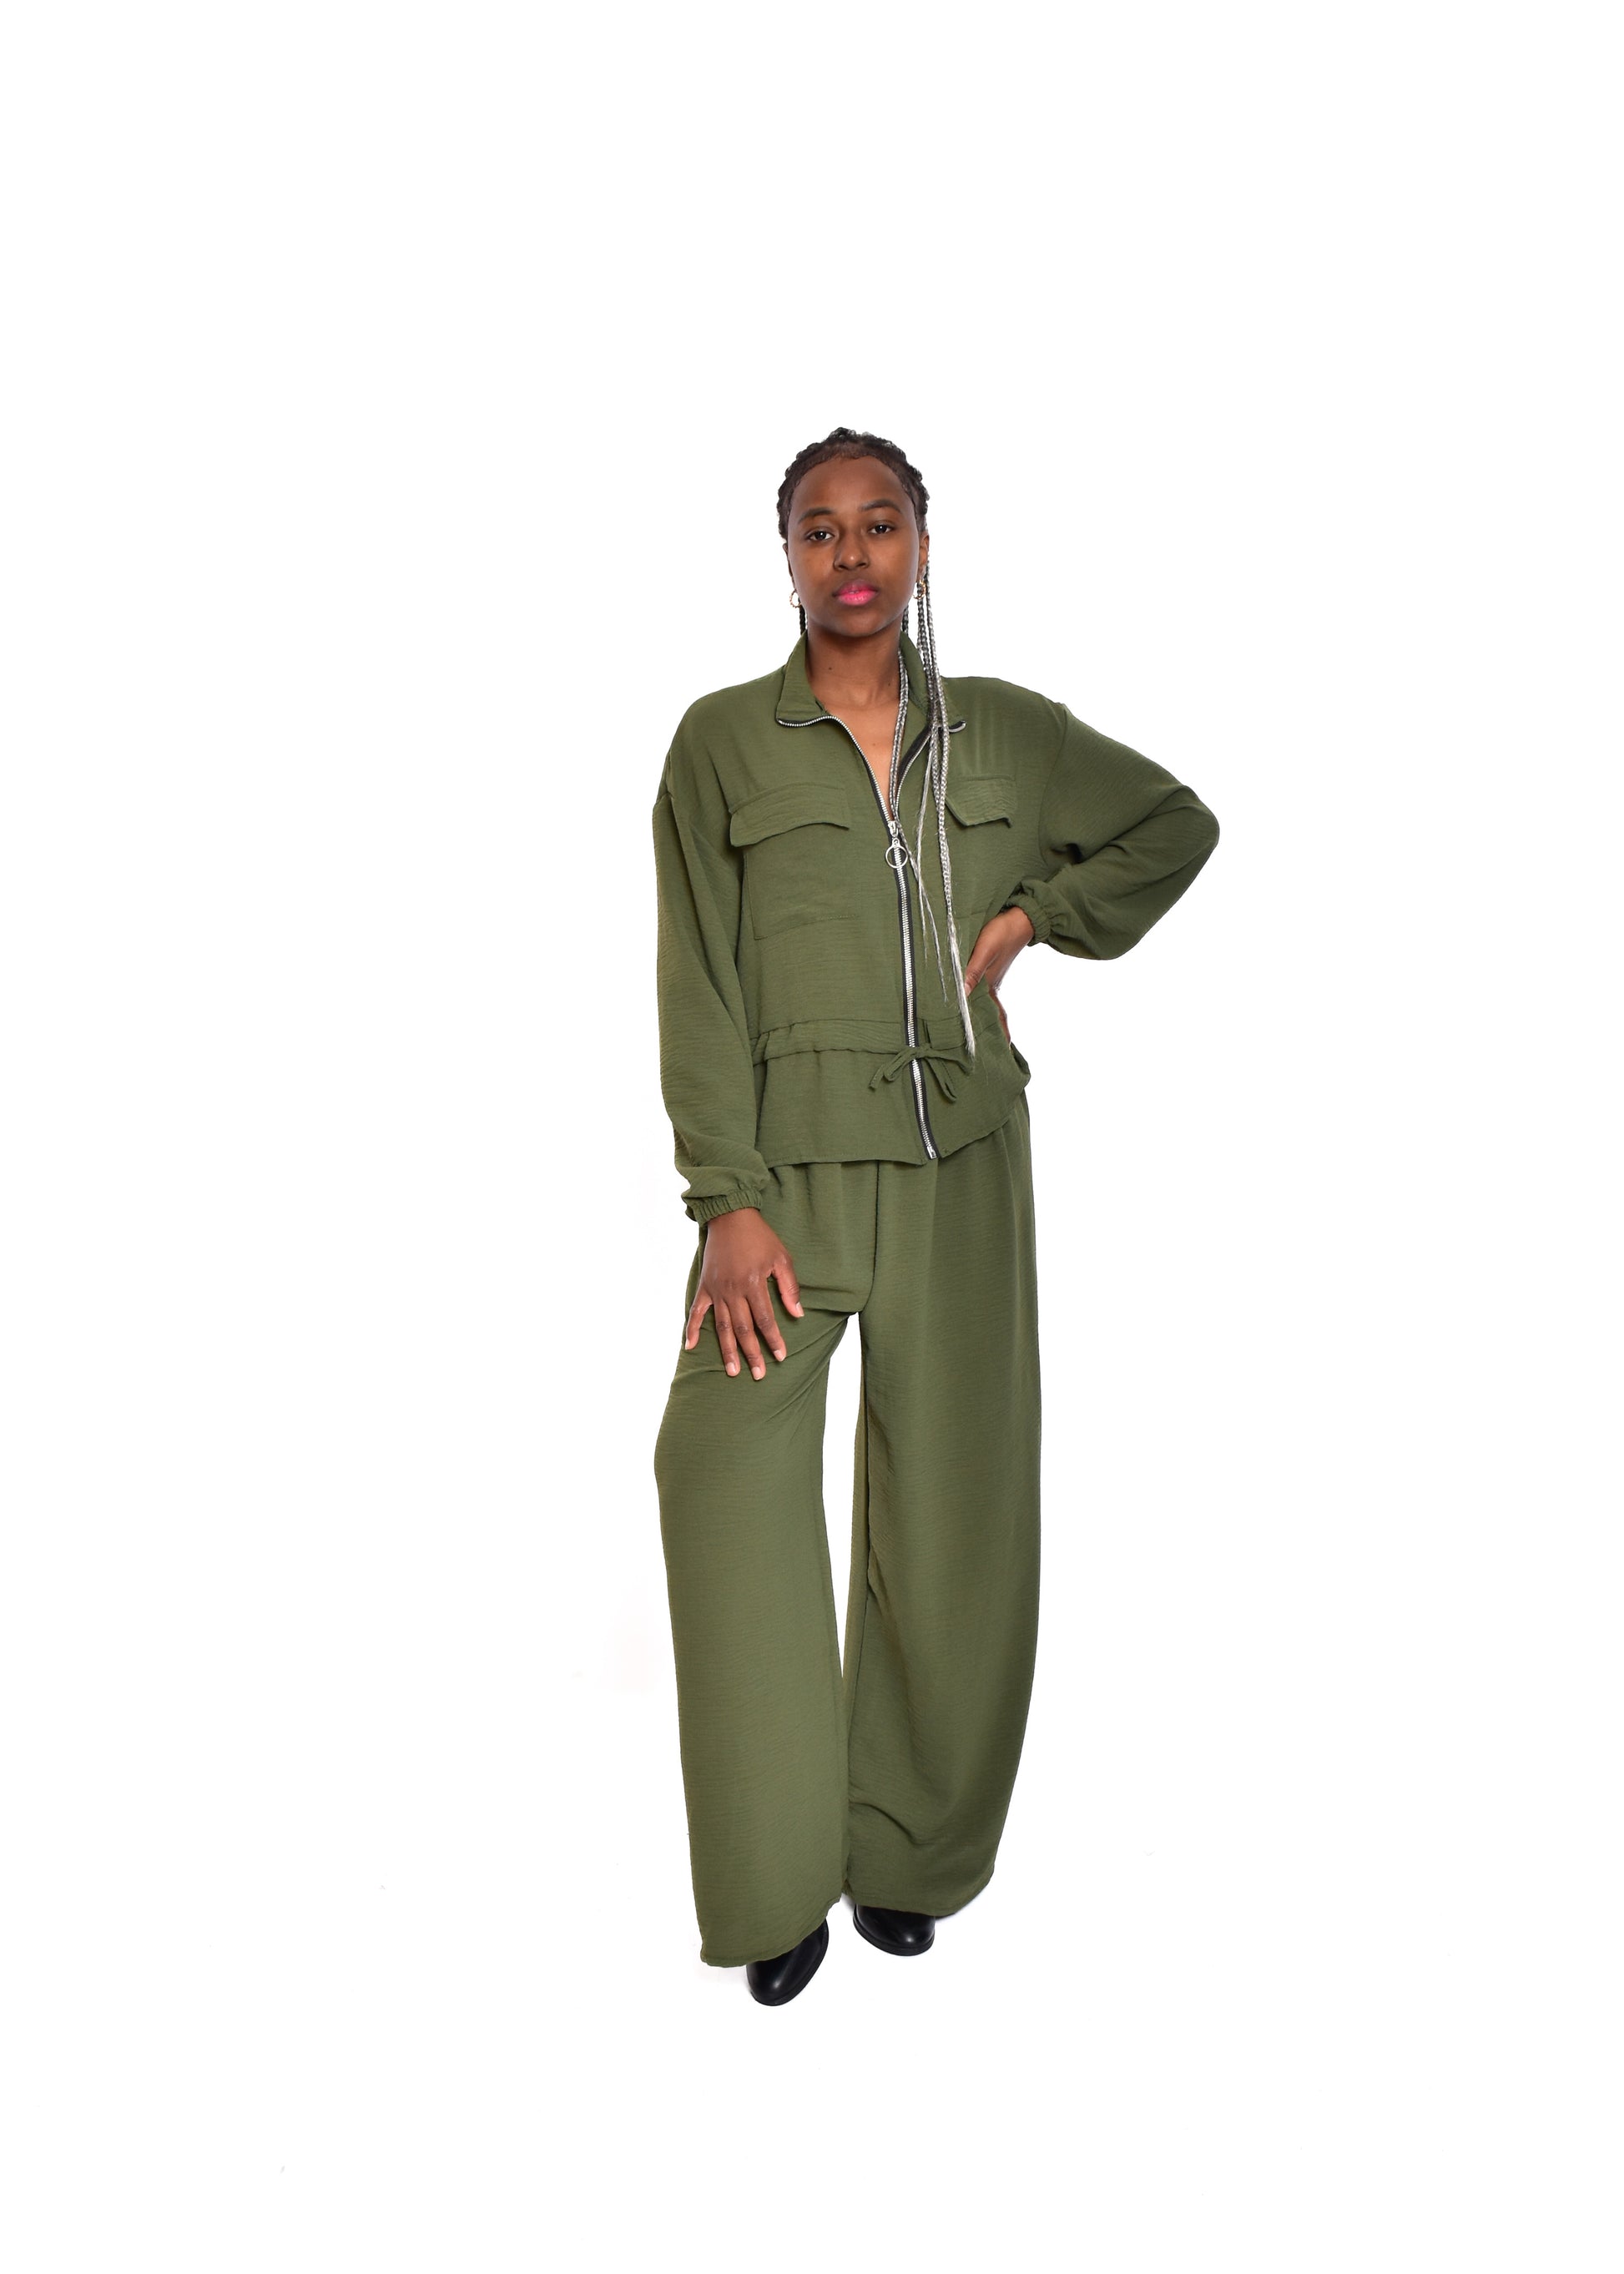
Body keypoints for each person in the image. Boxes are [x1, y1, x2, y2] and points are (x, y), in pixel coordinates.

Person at [650, 428, 1220, 2004]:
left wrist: (1039, 913)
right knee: (716, 1479)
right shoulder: (719, 745)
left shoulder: (1008, 736)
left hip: (963, 1166)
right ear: (786, 556)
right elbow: (696, 979)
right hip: (786, 1185)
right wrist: (726, 1197)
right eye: (819, 528)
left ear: (918, 542)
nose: (851, 553)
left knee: (956, 1518)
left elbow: (1174, 823)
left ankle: (906, 1857)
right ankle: (775, 1875)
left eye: (879, 523)